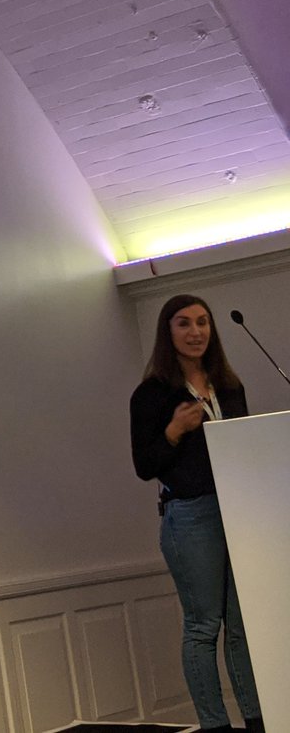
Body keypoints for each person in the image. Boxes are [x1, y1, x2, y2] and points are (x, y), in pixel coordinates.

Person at [130, 294, 263, 733]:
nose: (196, 332)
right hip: (191, 515)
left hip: (240, 512)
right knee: (204, 626)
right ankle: (214, 724)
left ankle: (257, 719)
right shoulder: (152, 394)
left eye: (203, 322)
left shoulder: (229, 386)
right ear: (168, 333)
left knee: (242, 627)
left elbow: (247, 446)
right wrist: (173, 430)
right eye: (184, 323)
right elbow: (144, 465)